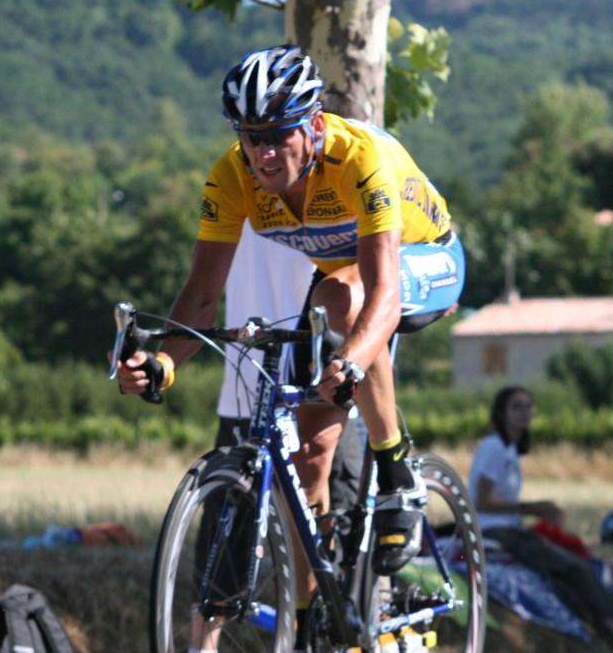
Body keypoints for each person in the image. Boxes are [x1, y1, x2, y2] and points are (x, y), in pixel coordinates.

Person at [114, 44, 466, 650]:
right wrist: (165, 361)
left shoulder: (362, 158)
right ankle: (313, 620)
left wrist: (350, 362)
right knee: (308, 459)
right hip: (340, 283)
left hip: (426, 262)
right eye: (251, 136)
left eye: (277, 134)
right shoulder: (232, 175)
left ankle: (395, 463)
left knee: (341, 301)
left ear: (315, 124)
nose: (263, 152)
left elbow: (381, 295)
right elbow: (201, 295)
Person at [468, 385, 613, 646]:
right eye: (517, 406)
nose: (525, 412)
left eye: (528, 406)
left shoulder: (509, 448)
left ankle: (605, 621)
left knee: (569, 561)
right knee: (573, 566)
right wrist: (531, 508)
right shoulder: (494, 447)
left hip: (508, 530)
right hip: (495, 533)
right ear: (501, 413)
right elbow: (480, 501)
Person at [215, 221, 363, 514]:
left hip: (250, 384)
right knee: (329, 530)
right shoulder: (326, 189)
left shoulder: (239, 190)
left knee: (232, 541)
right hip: (314, 383)